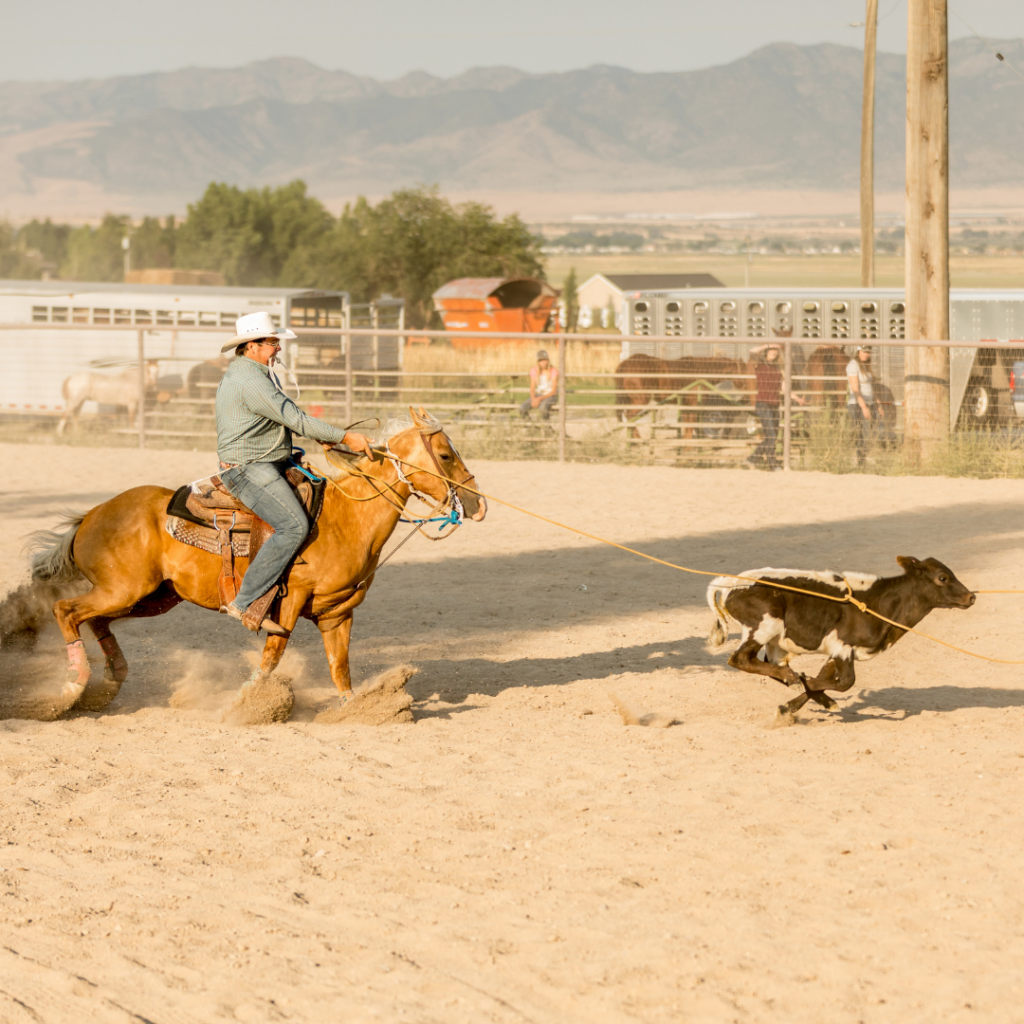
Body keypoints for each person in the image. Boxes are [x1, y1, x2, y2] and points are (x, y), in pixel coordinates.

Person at [215, 311, 373, 635]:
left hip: (267, 459)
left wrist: (320, 435)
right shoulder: (250, 379)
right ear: (252, 346)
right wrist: (344, 436)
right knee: (292, 525)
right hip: (249, 468)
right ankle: (243, 601)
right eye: (273, 342)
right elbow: (294, 417)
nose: (278, 349)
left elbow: (283, 419)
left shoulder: (252, 372)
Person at [747, 342, 804, 471]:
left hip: (774, 405)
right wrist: (767, 345)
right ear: (766, 351)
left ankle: (753, 458)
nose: (773, 352)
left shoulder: (778, 368)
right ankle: (772, 465)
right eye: (771, 350)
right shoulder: (760, 364)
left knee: (771, 435)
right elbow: (752, 350)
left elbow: (784, 387)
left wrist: (797, 398)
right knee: (771, 435)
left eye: (775, 351)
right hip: (762, 403)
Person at [847, 345, 875, 467]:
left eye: (868, 352)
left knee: (867, 433)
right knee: (861, 434)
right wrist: (863, 407)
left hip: (869, 403)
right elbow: (855, 388)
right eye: (864, 352)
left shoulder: (866, 366)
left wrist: (877, 403)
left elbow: (871, 386)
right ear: (858, 351)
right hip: (857, 405)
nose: (866, 354)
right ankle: (860, 462)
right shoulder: (853, 365)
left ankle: (862, 460)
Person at [520, 349, 559, 420]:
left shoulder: (553, 371)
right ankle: (531, 427)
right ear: (538, 362)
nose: (543, 363)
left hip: (550, 396)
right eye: (541, 361)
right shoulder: (534, 371)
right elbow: (532, 388)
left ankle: (547, 428)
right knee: (522, 408)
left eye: (545, 360)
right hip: (539, 394)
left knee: (543, 408)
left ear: (548, 360)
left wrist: (538, 399)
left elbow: (553, 391)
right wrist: (533, 399)